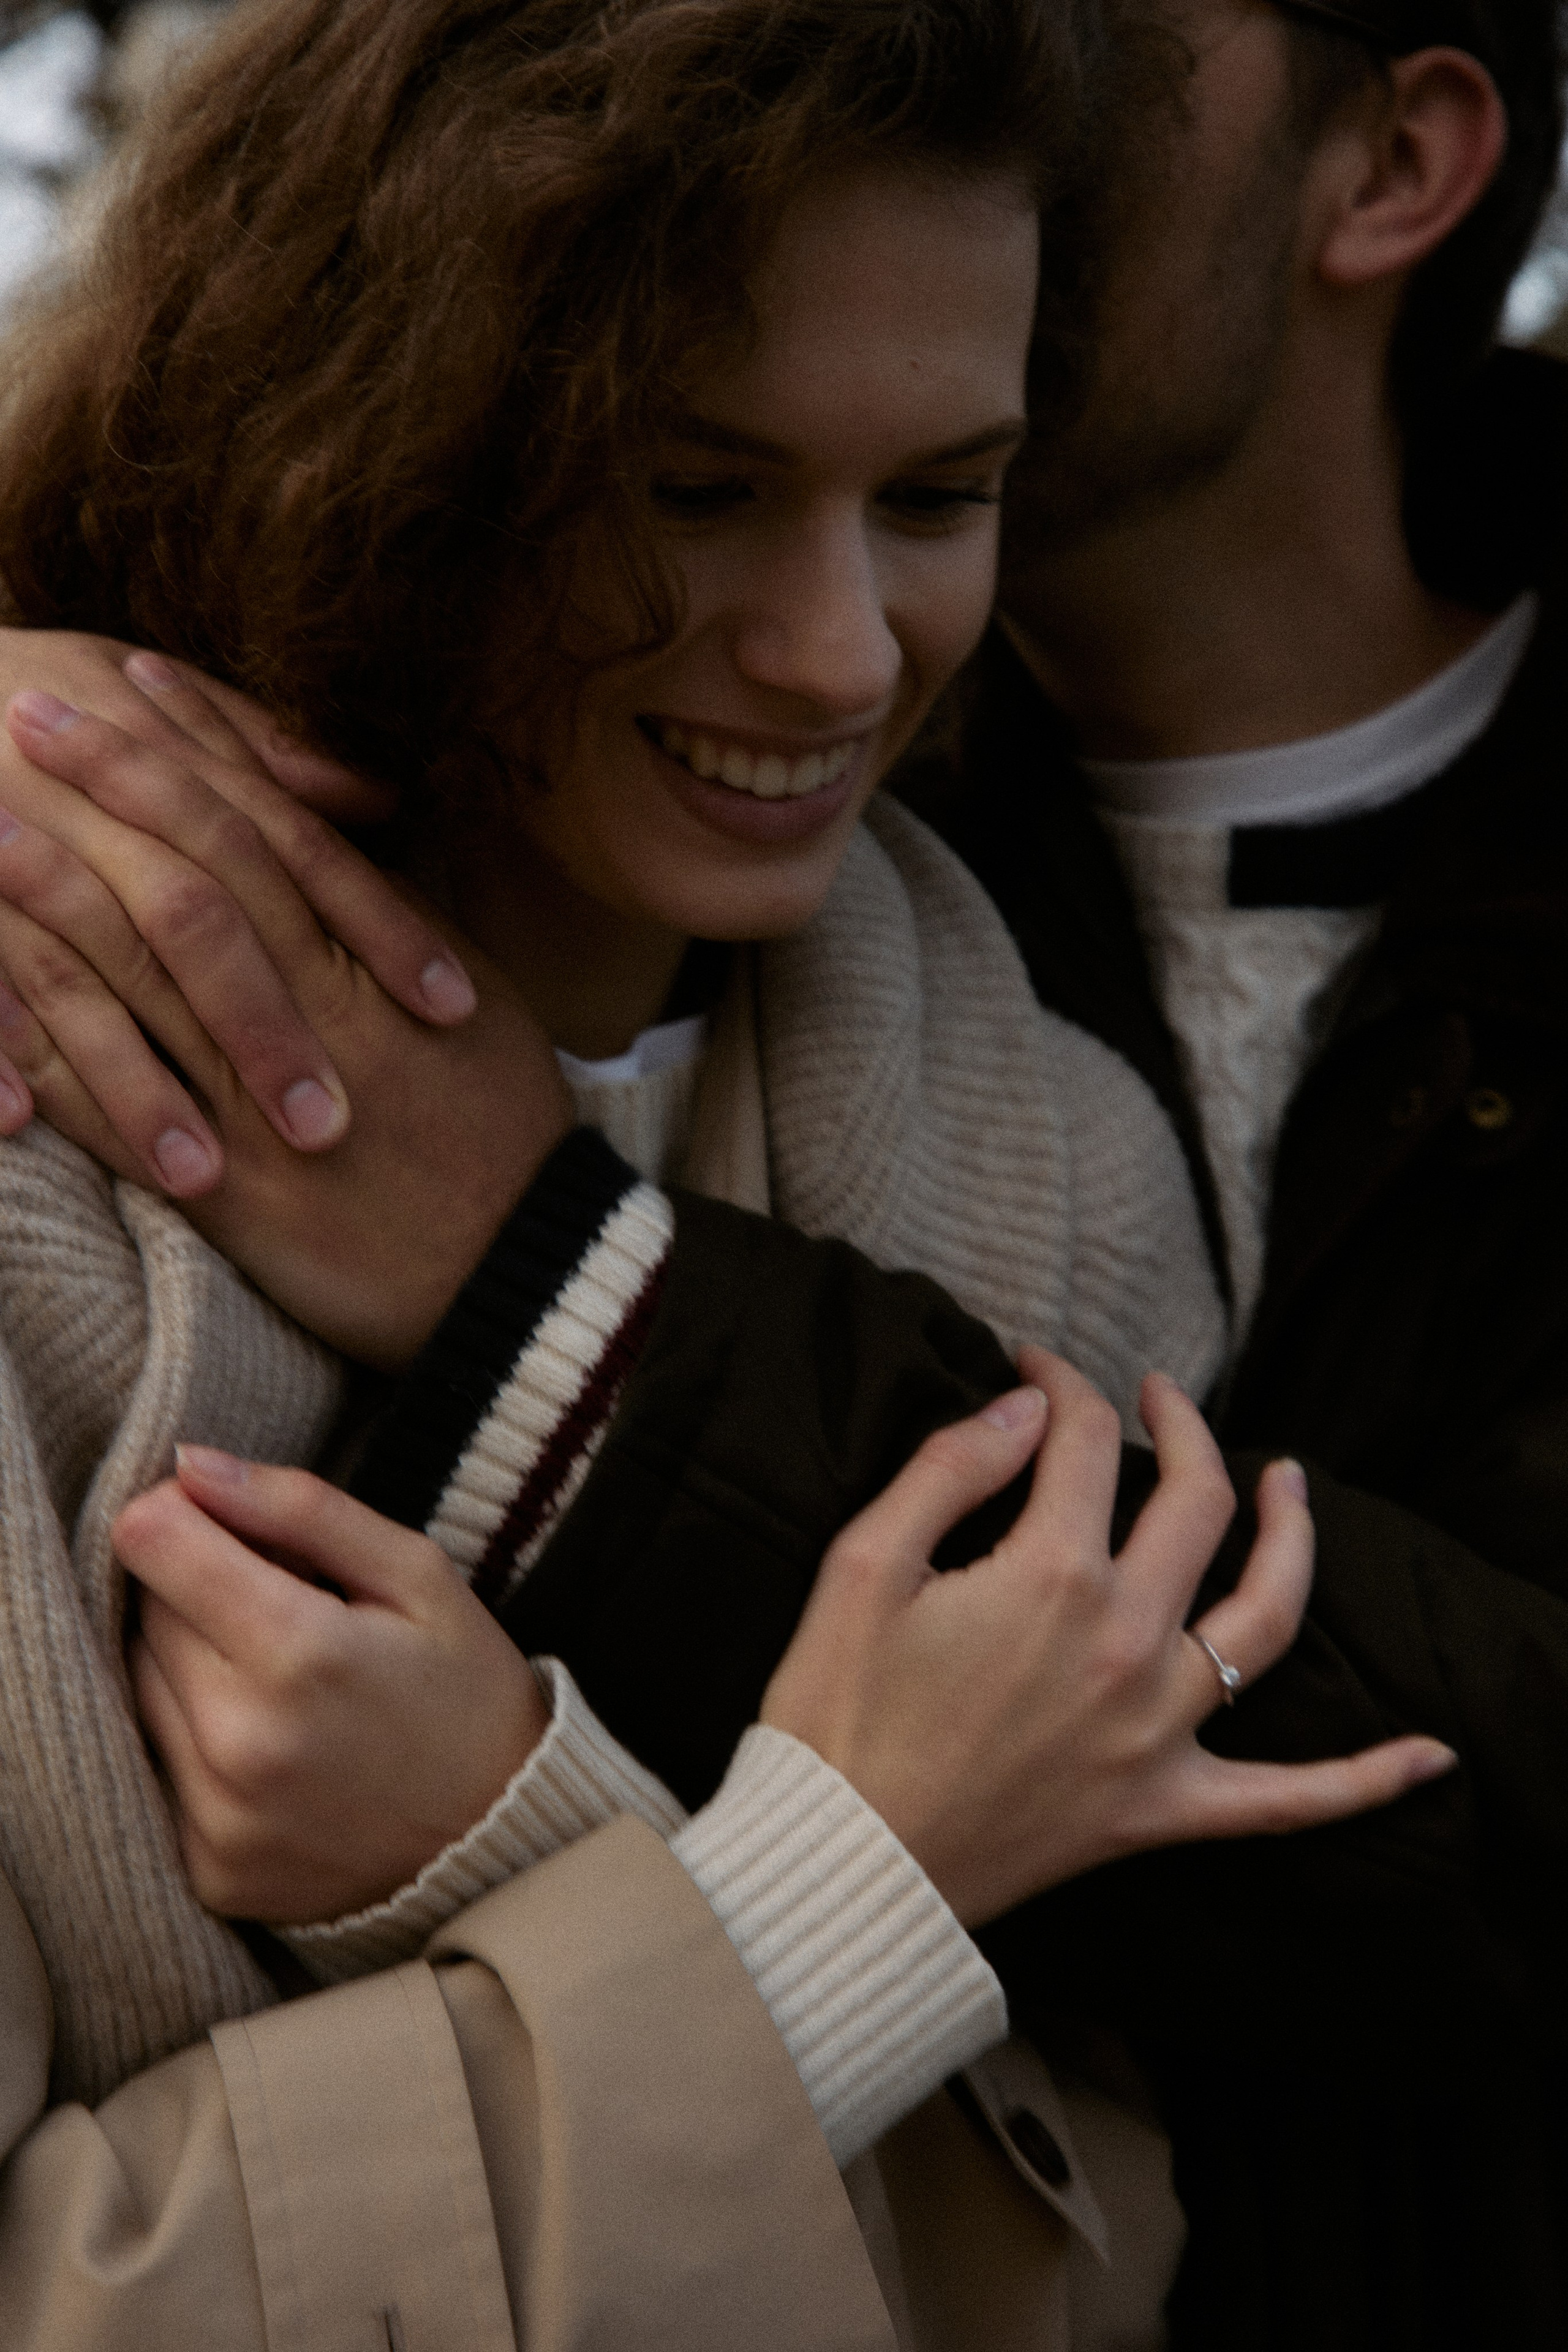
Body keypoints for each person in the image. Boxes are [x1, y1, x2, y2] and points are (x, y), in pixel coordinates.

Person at [0, 3, 1448, 2347]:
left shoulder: (1065, 1164)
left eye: (940, 496)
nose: (839, 648)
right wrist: (837, 1887)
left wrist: (525, 1827)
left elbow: (1120, 2257)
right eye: (694, 487)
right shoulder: (29, 1162)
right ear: (391, 430)